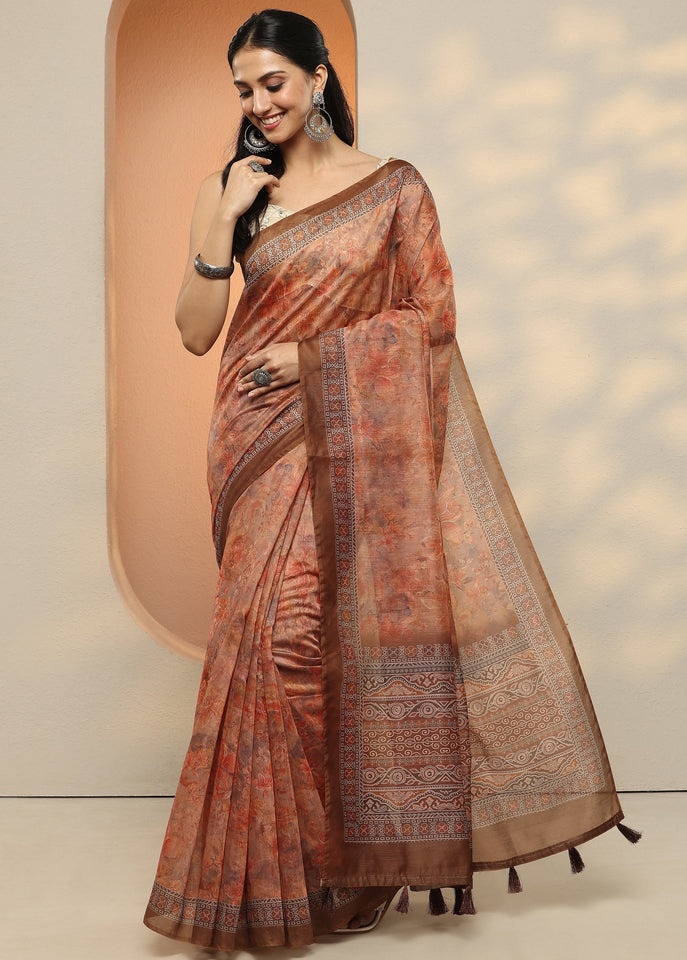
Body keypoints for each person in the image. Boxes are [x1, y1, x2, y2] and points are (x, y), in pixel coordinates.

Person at [143, 9, 639, 953]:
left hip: (350, 431)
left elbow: (431, 318)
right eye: (244, 89)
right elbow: (197, 332)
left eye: (273, 82)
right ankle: (286, 876)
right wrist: (219, 221)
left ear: (319, 77)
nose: (259, 103)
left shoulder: (394, 188)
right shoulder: (233, 187)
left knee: (311, 639)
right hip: (254, 440)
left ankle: (354, 866)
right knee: (264, 642)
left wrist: (313, 358)